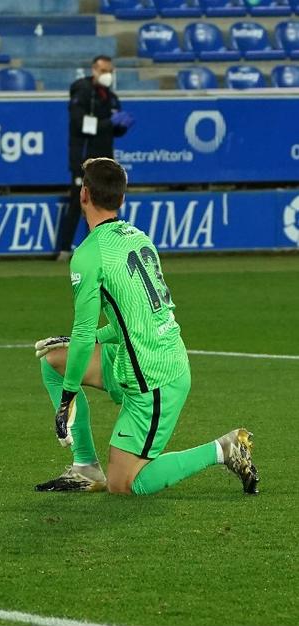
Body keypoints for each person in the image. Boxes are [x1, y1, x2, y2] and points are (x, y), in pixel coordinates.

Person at [34, 157, 259, 496]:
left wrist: (67, 398)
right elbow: (136, 319)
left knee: (125, 484)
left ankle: (224, 449)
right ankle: (85, 467)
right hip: (140, 356)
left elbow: (82, 333)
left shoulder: (88, 255)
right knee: (55, 360)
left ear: (84, 195)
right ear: (121, 199)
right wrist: (93, 338)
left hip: (155, 380)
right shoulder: (138, 238)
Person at [56, 55, 134, 263]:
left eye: (110, 71)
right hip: (84, 158)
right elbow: (81, 124)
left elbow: (110, 131)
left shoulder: (111, 97)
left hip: (106, 159)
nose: (107, 75)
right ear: (94, 69)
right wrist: (109, 123)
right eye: (103, 70)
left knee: (107, 203)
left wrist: (121, 127)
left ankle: (106, 247)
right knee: (77, 202)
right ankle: (64, 249)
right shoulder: (83, 91)